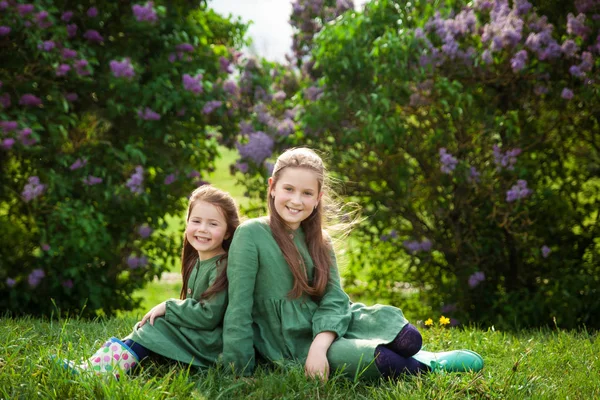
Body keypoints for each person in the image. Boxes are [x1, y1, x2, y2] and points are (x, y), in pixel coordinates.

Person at [222, 147, 483, 380]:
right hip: (291, 340)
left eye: (307, 193)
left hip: (330, 327)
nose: (296, 200)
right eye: (288, 189)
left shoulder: (319, 239)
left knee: (410, 338)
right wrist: (240, 371)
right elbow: (239, 307)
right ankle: (427, 367)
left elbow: (335, 298)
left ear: (318, 197)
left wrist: (320, 346)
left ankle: (423, 355)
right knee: (384, 360)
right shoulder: (251, 234)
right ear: (272, 187)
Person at [60, 185, 240, 378]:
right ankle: (98, 366)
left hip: (211, 345)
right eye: (196, 221)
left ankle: (100, 371)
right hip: (200, 334)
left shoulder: (222, 266)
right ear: (187, 223)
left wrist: (169, 307)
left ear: (228, 232)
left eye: (213, 224)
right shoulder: (197, 261)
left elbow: (209, 315)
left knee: (159, 324)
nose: (202, 229)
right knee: (154, 324)